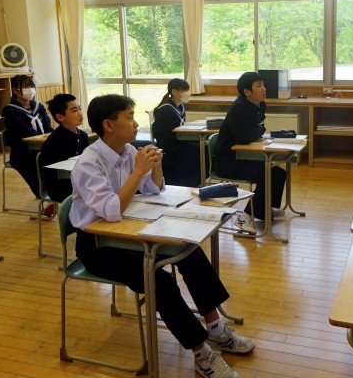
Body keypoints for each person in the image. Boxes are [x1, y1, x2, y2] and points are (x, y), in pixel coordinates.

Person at [69, 94, 254, 378]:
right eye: (129, 117)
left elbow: (154, 190)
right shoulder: (89, 163)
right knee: (159, 280)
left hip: (129, 233)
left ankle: (216, 328)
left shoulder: (128, 151)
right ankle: (201, 353)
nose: (136, 123)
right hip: (98, 246)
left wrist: (155, 166)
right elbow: (111, 210)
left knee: (190, 251)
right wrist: (139, 171)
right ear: (108, 125)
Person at [213, 72, 286, 235]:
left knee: (279, 173)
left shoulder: (260, 104)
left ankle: (265, 209)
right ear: (247, 92)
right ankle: (245, 217)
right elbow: (245, 137)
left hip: (246, 156)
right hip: (229, 161)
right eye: (259, 86)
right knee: (267, 174)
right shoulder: (239, 108)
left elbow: (257, 129)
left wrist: (258, 130)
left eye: (263, 84)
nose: (264, 89)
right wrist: (259, 130)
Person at [2, 75, 54, 213]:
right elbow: (24, 132)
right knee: (37, 166)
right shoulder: (10, 111)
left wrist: (53, 137)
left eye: (31, 86)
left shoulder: (38, 107)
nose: (30, 89)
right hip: (23, 153)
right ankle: (46, 197)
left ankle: (55, 196)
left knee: (56, 160)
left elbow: (48, 127)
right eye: (25, 86)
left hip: (41, 148)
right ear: (15, 90)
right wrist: (42, 141)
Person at [151, 78, 202, 187]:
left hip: (180, 143)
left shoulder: (181, 106)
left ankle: (195, 182)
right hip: (170, 147)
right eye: (184, 90)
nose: (187, 93)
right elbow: (168, 136)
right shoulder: (165, 110)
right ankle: (191, 183)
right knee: (200, 153)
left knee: (203, 149)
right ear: (174, 92)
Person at [39, 94, 89, 203]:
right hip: (60, 186)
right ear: (60, 117)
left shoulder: (83, 135)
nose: (80, 113)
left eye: (79, 109)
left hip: (77, 180)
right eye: (74, 110)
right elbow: (52, 175)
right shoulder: (54, 141)